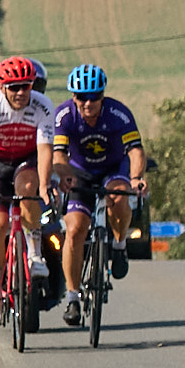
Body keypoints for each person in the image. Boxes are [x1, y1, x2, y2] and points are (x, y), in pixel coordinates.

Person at [43, 64, 146, 326]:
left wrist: (135, 178)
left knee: (120, 196)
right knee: (75, 229)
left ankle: (119, 245)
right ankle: (73, 298)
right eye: (81, 97)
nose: (88, 103)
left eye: (94, 97)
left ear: (102, 95)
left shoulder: (118, 113)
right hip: (79, 172)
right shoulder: (64, 115)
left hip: (113, 168)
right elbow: (58, 155)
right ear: (73, 97)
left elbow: (135, 151)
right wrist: (64, 174)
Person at [0, 57, 56, 325]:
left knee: (29, 188)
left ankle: (34, 253)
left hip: (26, 161)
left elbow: (45, 151)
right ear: (2, 87)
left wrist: (44, 185)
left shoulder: (43, 106)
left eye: (27, 86)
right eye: (15, 87)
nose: (21, 93)